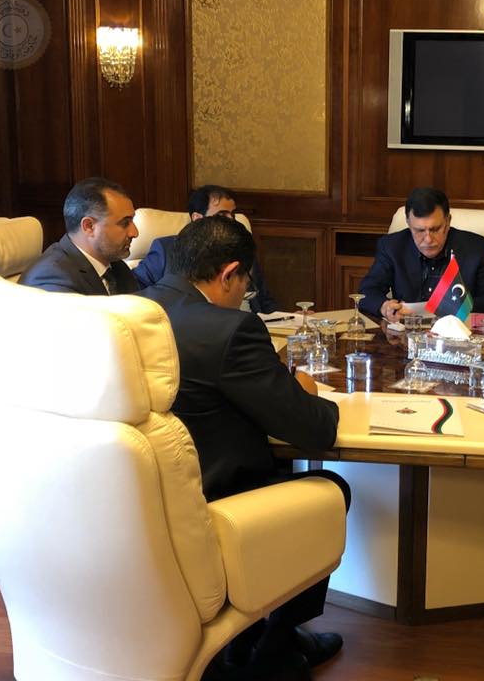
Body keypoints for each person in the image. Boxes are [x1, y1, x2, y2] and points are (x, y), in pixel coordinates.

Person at [138, 216, 346, 680]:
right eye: (246, 282)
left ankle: (247, 640)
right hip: (213, 501)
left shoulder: (128, 311)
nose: (245, 293)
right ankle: (277, 648)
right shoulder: (230, 330)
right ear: (230, 273)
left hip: (141, 502)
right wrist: (305, 389)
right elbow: (314, 430)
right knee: (330, 487)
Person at [358, 187, 484, 322]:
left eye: (435, 229)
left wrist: (456, 306)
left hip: (457, 334)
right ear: (409, 224)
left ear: (447, 222)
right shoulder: (392, 247)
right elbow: (367, 292)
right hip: (408, 335)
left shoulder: (475, 248)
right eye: (419, 231)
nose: (428, 239)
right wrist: (384, 306)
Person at [133, 184, 278, 313]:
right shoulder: (167, 249)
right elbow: (136, 292)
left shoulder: (242, 248)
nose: (231, 220)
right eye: (222, 215)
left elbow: (265, 301)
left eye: (232, 214)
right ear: (197, 218)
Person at [20, 177, 140, 295]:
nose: (135, 233)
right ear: (89, 226)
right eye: (125, 223)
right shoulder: (51, 276)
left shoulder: (116, 266)